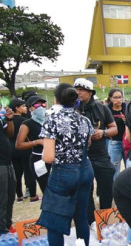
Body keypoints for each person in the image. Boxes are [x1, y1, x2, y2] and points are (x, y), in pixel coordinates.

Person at [36, 83, 95, 246]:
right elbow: (87, 144)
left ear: (56, 99)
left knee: (55, 222)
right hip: (85, 170)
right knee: (81, 217)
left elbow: (48, 157)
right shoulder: (84, 120)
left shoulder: (52, 120)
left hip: (63, 172)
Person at [74, 78, 118, 225]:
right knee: (85, 188)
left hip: (100, 153)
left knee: (106, 185)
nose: (78, 93)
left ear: (90, 92)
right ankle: (91, 220)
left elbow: (114, 128)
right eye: (76, 90)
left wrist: (103, 133)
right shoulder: (72, 109)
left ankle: (104, 216)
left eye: (81, 90)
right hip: (80, 155)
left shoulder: (102, 108)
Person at [15, 96, 49, 200]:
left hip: (52, 158)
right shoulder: (27, 124)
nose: (41, 107)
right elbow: (19, 144)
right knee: (46, 189)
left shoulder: (49, 121)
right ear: (30, 108)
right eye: (37, 105)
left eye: (43, 104)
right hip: (38, 159)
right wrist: (36, 142)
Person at [8, 99, 33, 203]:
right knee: (28, 171)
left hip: (12, 149)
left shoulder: (8, 121)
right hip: (24, 149)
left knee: (17, 174)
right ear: (17, 108)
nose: (25, 108)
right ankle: (31, 193)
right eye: (23, 106)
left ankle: (19, 195)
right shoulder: (24, 121)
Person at [0, 104, 15, 235]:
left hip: (8, 162)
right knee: (2, 198)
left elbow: (10, 134)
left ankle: (8, 224)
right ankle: (2, 230)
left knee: (10, 196)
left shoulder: (1, 118)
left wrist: (9, 120)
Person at [107, 88, 127, 179]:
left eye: (120, 97)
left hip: (127, 141)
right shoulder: (107, 110)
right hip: (114, 141)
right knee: (114, 168)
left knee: (129, 167)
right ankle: (115, 189)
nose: (118, 100)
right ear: (110, 98)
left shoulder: (127, 108)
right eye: (115, 97)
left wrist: (126, 120)